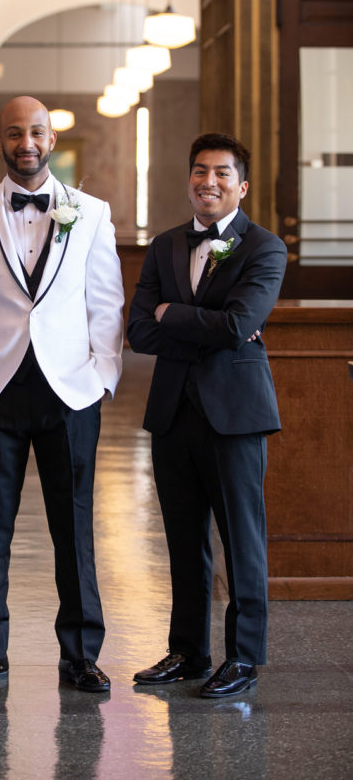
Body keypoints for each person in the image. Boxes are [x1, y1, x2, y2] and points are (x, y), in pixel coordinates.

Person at [0, 95, 124, 693]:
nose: (27, 142)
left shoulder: (92, 214)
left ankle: (80, 656)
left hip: (70, 390)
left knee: (74, 527)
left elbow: (106, 301)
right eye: (15, 132)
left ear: (51, 139)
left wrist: (103, 376)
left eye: (37, 132)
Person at [127, 132, 287, 698]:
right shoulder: (166, 245)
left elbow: (238, 326)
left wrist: (176, 313)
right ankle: (188, 651)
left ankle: (243, 657)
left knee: (241, 538)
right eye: (200, 171)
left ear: (241, 186)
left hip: (236, 414)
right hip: (172, 411)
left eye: (222, 173)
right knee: (182, 537)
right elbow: (139, 330)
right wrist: (197, 321)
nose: (208, 181)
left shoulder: (264, 248)